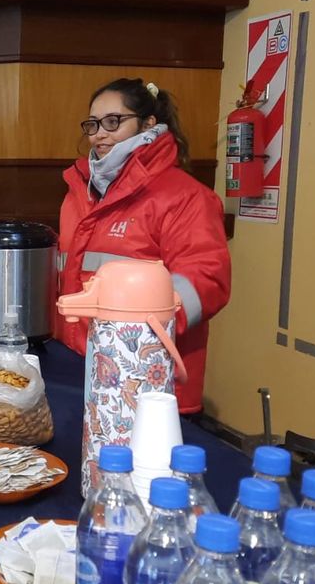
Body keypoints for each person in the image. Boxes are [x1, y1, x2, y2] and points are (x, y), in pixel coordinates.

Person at [56, 78, 231, 414]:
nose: (99, 134)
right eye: (93, 124)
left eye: (113, 121)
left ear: (149, 123)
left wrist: (131, 340)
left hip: (150, 382)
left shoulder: (185, 197)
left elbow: (206, 281)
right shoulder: (77, 193)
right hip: (79, 371)